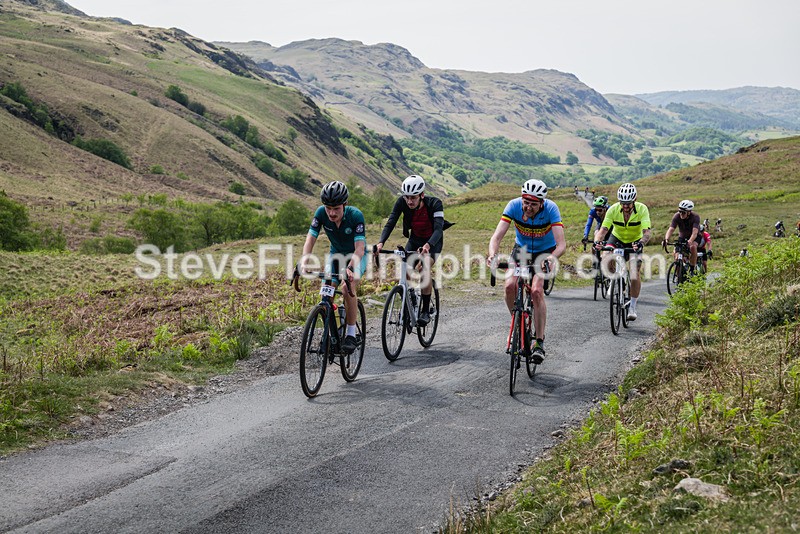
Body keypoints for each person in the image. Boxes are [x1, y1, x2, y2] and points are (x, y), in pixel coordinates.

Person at [487, 179, 566, 364]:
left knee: (537, 291)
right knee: (509, 286)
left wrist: (552, 257)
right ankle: (518, 324)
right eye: (526, 202)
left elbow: (561, 244)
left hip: (544, 252)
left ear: (541, 203)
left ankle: (539, 343)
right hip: (521, 251)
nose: (528, 207)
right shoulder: (514, 206)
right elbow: (496, 236)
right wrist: (493, 255)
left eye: (533, 204)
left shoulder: (551, 209)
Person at [375, 175, 451, 325]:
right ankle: (410, 297)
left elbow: (438, 229)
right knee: (405, 269)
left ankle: (424, 311)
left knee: (425, 268)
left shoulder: (435, 203)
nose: (409, 201)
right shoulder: (402, 202)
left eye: (413, 198)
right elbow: (391, 222)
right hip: (415, 239)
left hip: (433, 241)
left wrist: (428, 245)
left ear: (422, 195)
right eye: (407, 197)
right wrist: (380, 243)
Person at [300, 181, 367, 353]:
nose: (331, 212)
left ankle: (351, 334)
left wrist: (351, 268)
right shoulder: (321, 213)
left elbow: (360, 248)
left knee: (347, 288)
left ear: (344, 204)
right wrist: (304, 260)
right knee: (325, 292)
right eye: (328, 207)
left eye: (336, 208)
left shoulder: (355, 216)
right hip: (336, 256)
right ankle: (331, 334)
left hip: (356, 257)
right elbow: (310, 238)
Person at [593, 182, 652, 321]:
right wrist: (597, 242)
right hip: (617, 238)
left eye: (628, 203)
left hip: (635, 241)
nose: (625, 206)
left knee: (634, 273)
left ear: (635, 200)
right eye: (623, 203)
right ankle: (614, 280)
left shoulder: (642, 209)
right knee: (606, 257)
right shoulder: (613, 209)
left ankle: (632, 306)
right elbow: (603, 230)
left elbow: (647, 232)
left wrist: (641, 242)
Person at [662, 200, 703, 273]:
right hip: (683, 237)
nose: (681, 214)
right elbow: (671, 229)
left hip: (695, 237)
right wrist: (666, 239)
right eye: (679, 211)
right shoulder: (677, 216)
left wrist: (690, 241)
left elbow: (695, 232)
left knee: (693, 247)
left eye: (683, 212)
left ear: (689, 212)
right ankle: (679, 276)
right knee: (676, 255)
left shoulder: (695, 217)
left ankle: (692, 270)